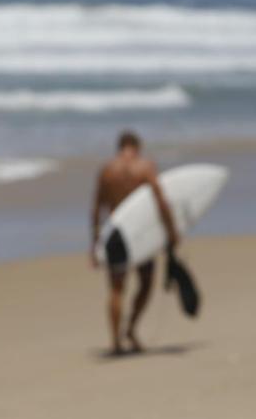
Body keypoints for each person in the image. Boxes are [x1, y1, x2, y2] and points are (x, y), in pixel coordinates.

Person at [90, 130, 178, 355]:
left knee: (116, 289)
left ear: (119, 147)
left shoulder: (107, 171)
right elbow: (161, 201)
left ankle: (115, 342)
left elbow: (96, 209)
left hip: (117, 234)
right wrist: (171, 231)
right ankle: (130, 328)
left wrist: (95, 243)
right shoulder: (145, 167)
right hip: (140, 233)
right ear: (136, 147)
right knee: (146, 283)